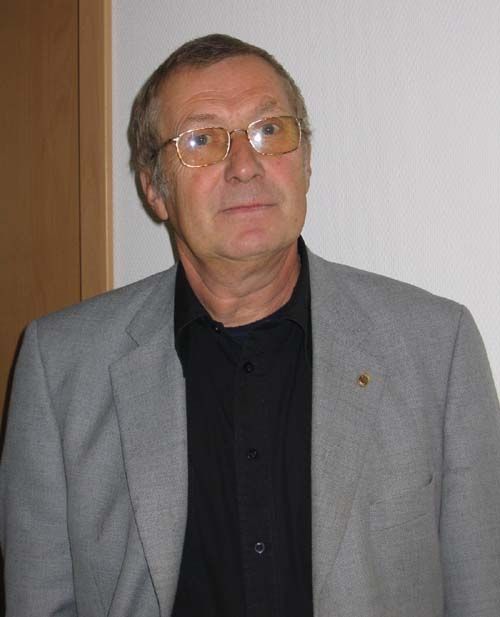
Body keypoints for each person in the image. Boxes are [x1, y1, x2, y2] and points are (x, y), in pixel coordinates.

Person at [1, 33, 499, 617]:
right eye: (202, 139)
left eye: (270, 130)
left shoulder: (438, 348)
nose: (244, 165)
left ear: (306, 162)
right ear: (154, 188)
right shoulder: (59, 366)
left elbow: (482, 592)